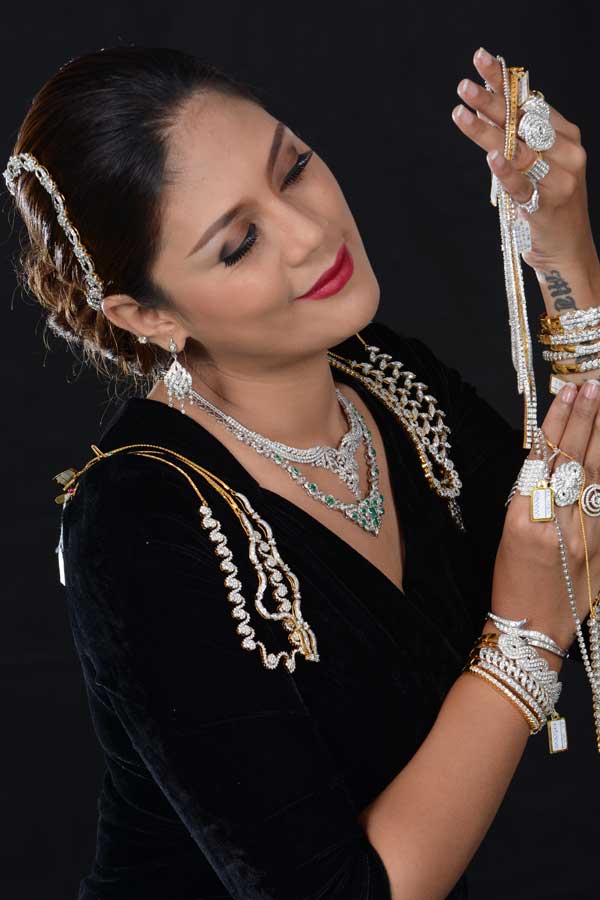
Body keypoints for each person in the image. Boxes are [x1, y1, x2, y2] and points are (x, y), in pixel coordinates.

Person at [4, 44, 600, 900]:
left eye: (294, 169)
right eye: (240, 242)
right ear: (147, 315)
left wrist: (564, 253)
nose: (312, 232)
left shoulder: (385, 378)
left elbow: (582, 539)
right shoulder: (136, 522)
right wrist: (523, 634)